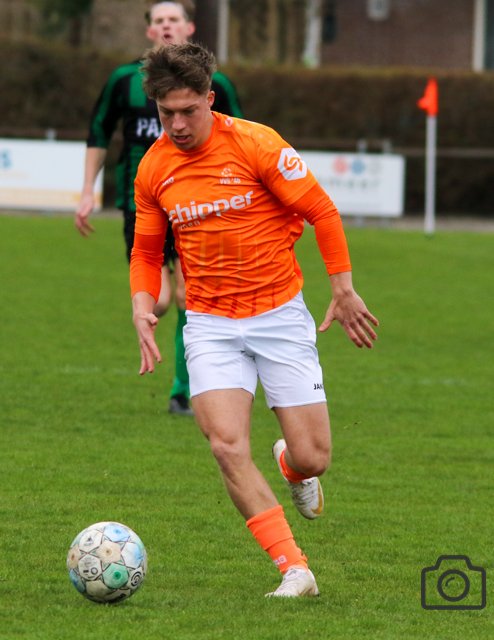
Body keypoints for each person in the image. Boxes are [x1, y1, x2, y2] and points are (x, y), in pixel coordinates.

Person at [129, 43, 378, 597]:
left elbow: (321, 211)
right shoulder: (154, 167)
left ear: (210, 99)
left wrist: (342, 288)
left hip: (279, 315)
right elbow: (145, 252)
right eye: (166, 113)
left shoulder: (256, 144)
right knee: (226, 446)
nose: (177, 125)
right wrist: (142, 305)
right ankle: (294, 568)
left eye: (188, 111)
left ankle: (291, 466)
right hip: (210, 324)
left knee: (315, 456)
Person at [76, 0, 243, 416]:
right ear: (150, 30)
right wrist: (87, 190)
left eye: (175, 19)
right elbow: (99, 131)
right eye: (159, 20)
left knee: (190, 297)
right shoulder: (123, 80)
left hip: (198, 205)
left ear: (189, 28)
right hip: (143, 205)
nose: (167, 25)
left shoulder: (216, 85)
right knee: (161, 301)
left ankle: (183, 391)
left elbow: (243, 140)